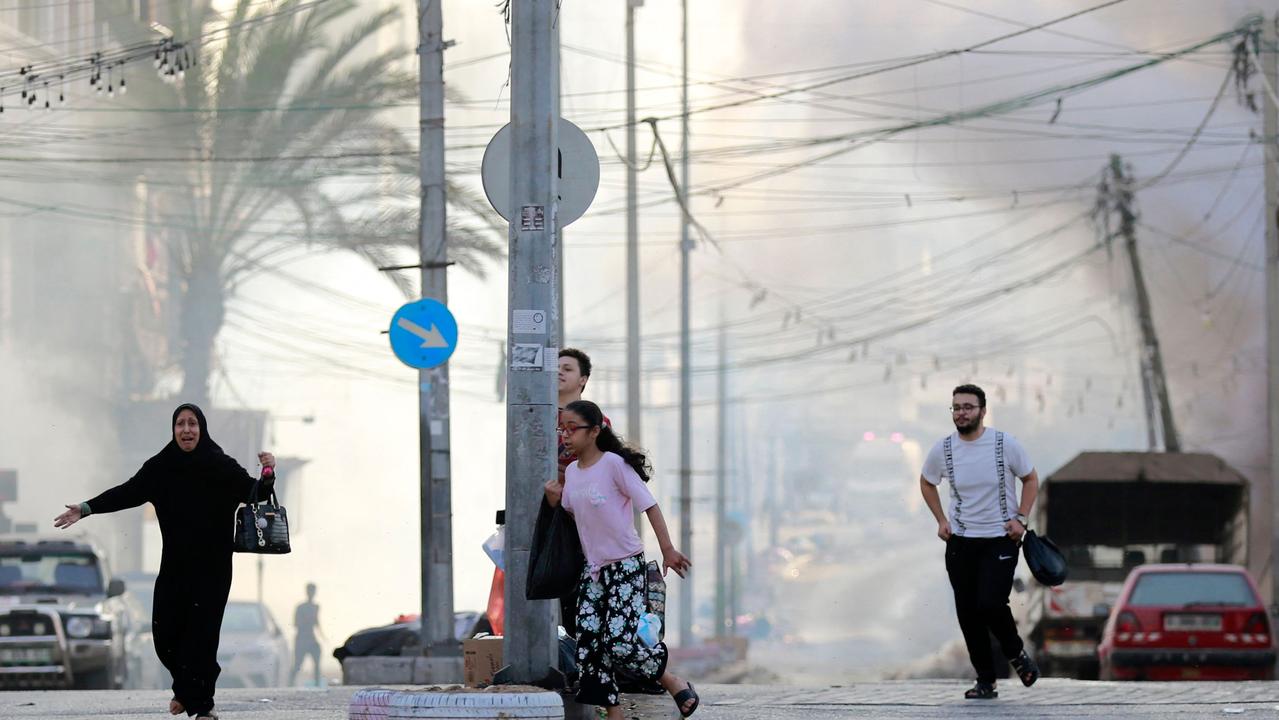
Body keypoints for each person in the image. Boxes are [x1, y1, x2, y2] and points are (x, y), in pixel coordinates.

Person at [54, 404, 275, 720]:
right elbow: (128, 492)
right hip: (174, 568)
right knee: (165, 637)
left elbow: (254, 493)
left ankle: (202, 705)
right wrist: (87, 508)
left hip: (213, 570)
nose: (187, 430)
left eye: (193, 424)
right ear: (173, 430)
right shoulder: (161, 467)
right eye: (181, 424)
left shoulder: (221, 466)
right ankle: (186, 688)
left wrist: (268, 475)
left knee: (202, 637)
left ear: (202, 429)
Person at [544, 400, 699, 719]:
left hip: (625, 566)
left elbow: (650, 506)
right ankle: (613, 711)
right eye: (562, 429)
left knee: (618, 642)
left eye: (573, 429)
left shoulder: (614, 465)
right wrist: (555, 502)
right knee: (587, 642)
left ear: (595, 431)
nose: (566, 436)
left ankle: (669, 679)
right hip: (594, 571)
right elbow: (574, 514)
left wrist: (668, 549)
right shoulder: (572, 472)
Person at [919, 384, 1041, 700]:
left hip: (1000, 539)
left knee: (990, 603)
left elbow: (1030, 478)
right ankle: (986, 680)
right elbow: (926, 481)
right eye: (956, 407)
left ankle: (1016, 653)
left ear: (982, 411)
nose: (961, 413)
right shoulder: (943, 450)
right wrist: (941, 520)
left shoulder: (1004, 444)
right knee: (968, 613)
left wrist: (1022, 518)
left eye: (968, 407)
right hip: (960, 542)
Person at [552, 348, 609, 637]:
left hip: (584, 517)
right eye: (556, 367)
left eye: (568, 368)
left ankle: (578, 654)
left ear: (583, 379)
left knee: (581, 587)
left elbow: (607, 467)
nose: (559, 371)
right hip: (549, 514)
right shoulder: (535, 416)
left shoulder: (598, 423)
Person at [291, 582, 324, 686]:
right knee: (298, 664)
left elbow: (317, 622)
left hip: (311, 638)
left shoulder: (316, 606)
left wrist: (323, 636)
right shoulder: (301, 607)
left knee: (317, 663)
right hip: (301, 638)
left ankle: (317, 684)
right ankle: (290, 683)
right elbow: (296, 624)